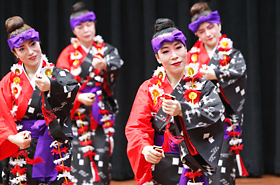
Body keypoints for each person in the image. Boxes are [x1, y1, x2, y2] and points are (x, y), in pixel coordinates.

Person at [125, 18, 225, 185]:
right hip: (160, 163)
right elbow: (136, 127)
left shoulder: (203, 85)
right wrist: (145, 148)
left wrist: (183, 110)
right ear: (157, 58)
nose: (174, 56)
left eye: (178, 48)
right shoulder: (148, 88)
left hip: (194, 163)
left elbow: (215, 114)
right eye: (165, 52)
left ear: (186, 48)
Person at [0, 16, 79, 185]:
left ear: (39, 42)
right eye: (22, 48)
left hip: (54, 144)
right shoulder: (8, 82)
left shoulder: (57, 74)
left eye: (33, 44)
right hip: (23, 145)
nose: (30, 52)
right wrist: (13, 138)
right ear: (14, 53)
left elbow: (73, 88)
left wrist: (51, 85)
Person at [56, 2, 123, 185]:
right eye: (80, 26)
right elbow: (59, 87)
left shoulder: (106, 50)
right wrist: (78, 97)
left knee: (103, 157)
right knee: (80, 158)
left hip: (101, 112)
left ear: (94, 24)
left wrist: (106, 66)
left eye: (89, 24)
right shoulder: (67, 55)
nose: (86, 30)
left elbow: (117, 64)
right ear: (73, 31)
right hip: (77, 115)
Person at [187, 2, 248, 185]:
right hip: (199, 121)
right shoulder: (191, 57)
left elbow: (239, 74)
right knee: (198, 172)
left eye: (211, 28)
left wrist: (216, 75)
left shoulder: (232, 55)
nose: (208, 34)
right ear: (197, 34)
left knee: (222, 170)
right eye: (202, 31)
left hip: (224, 120)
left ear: (219, 25)